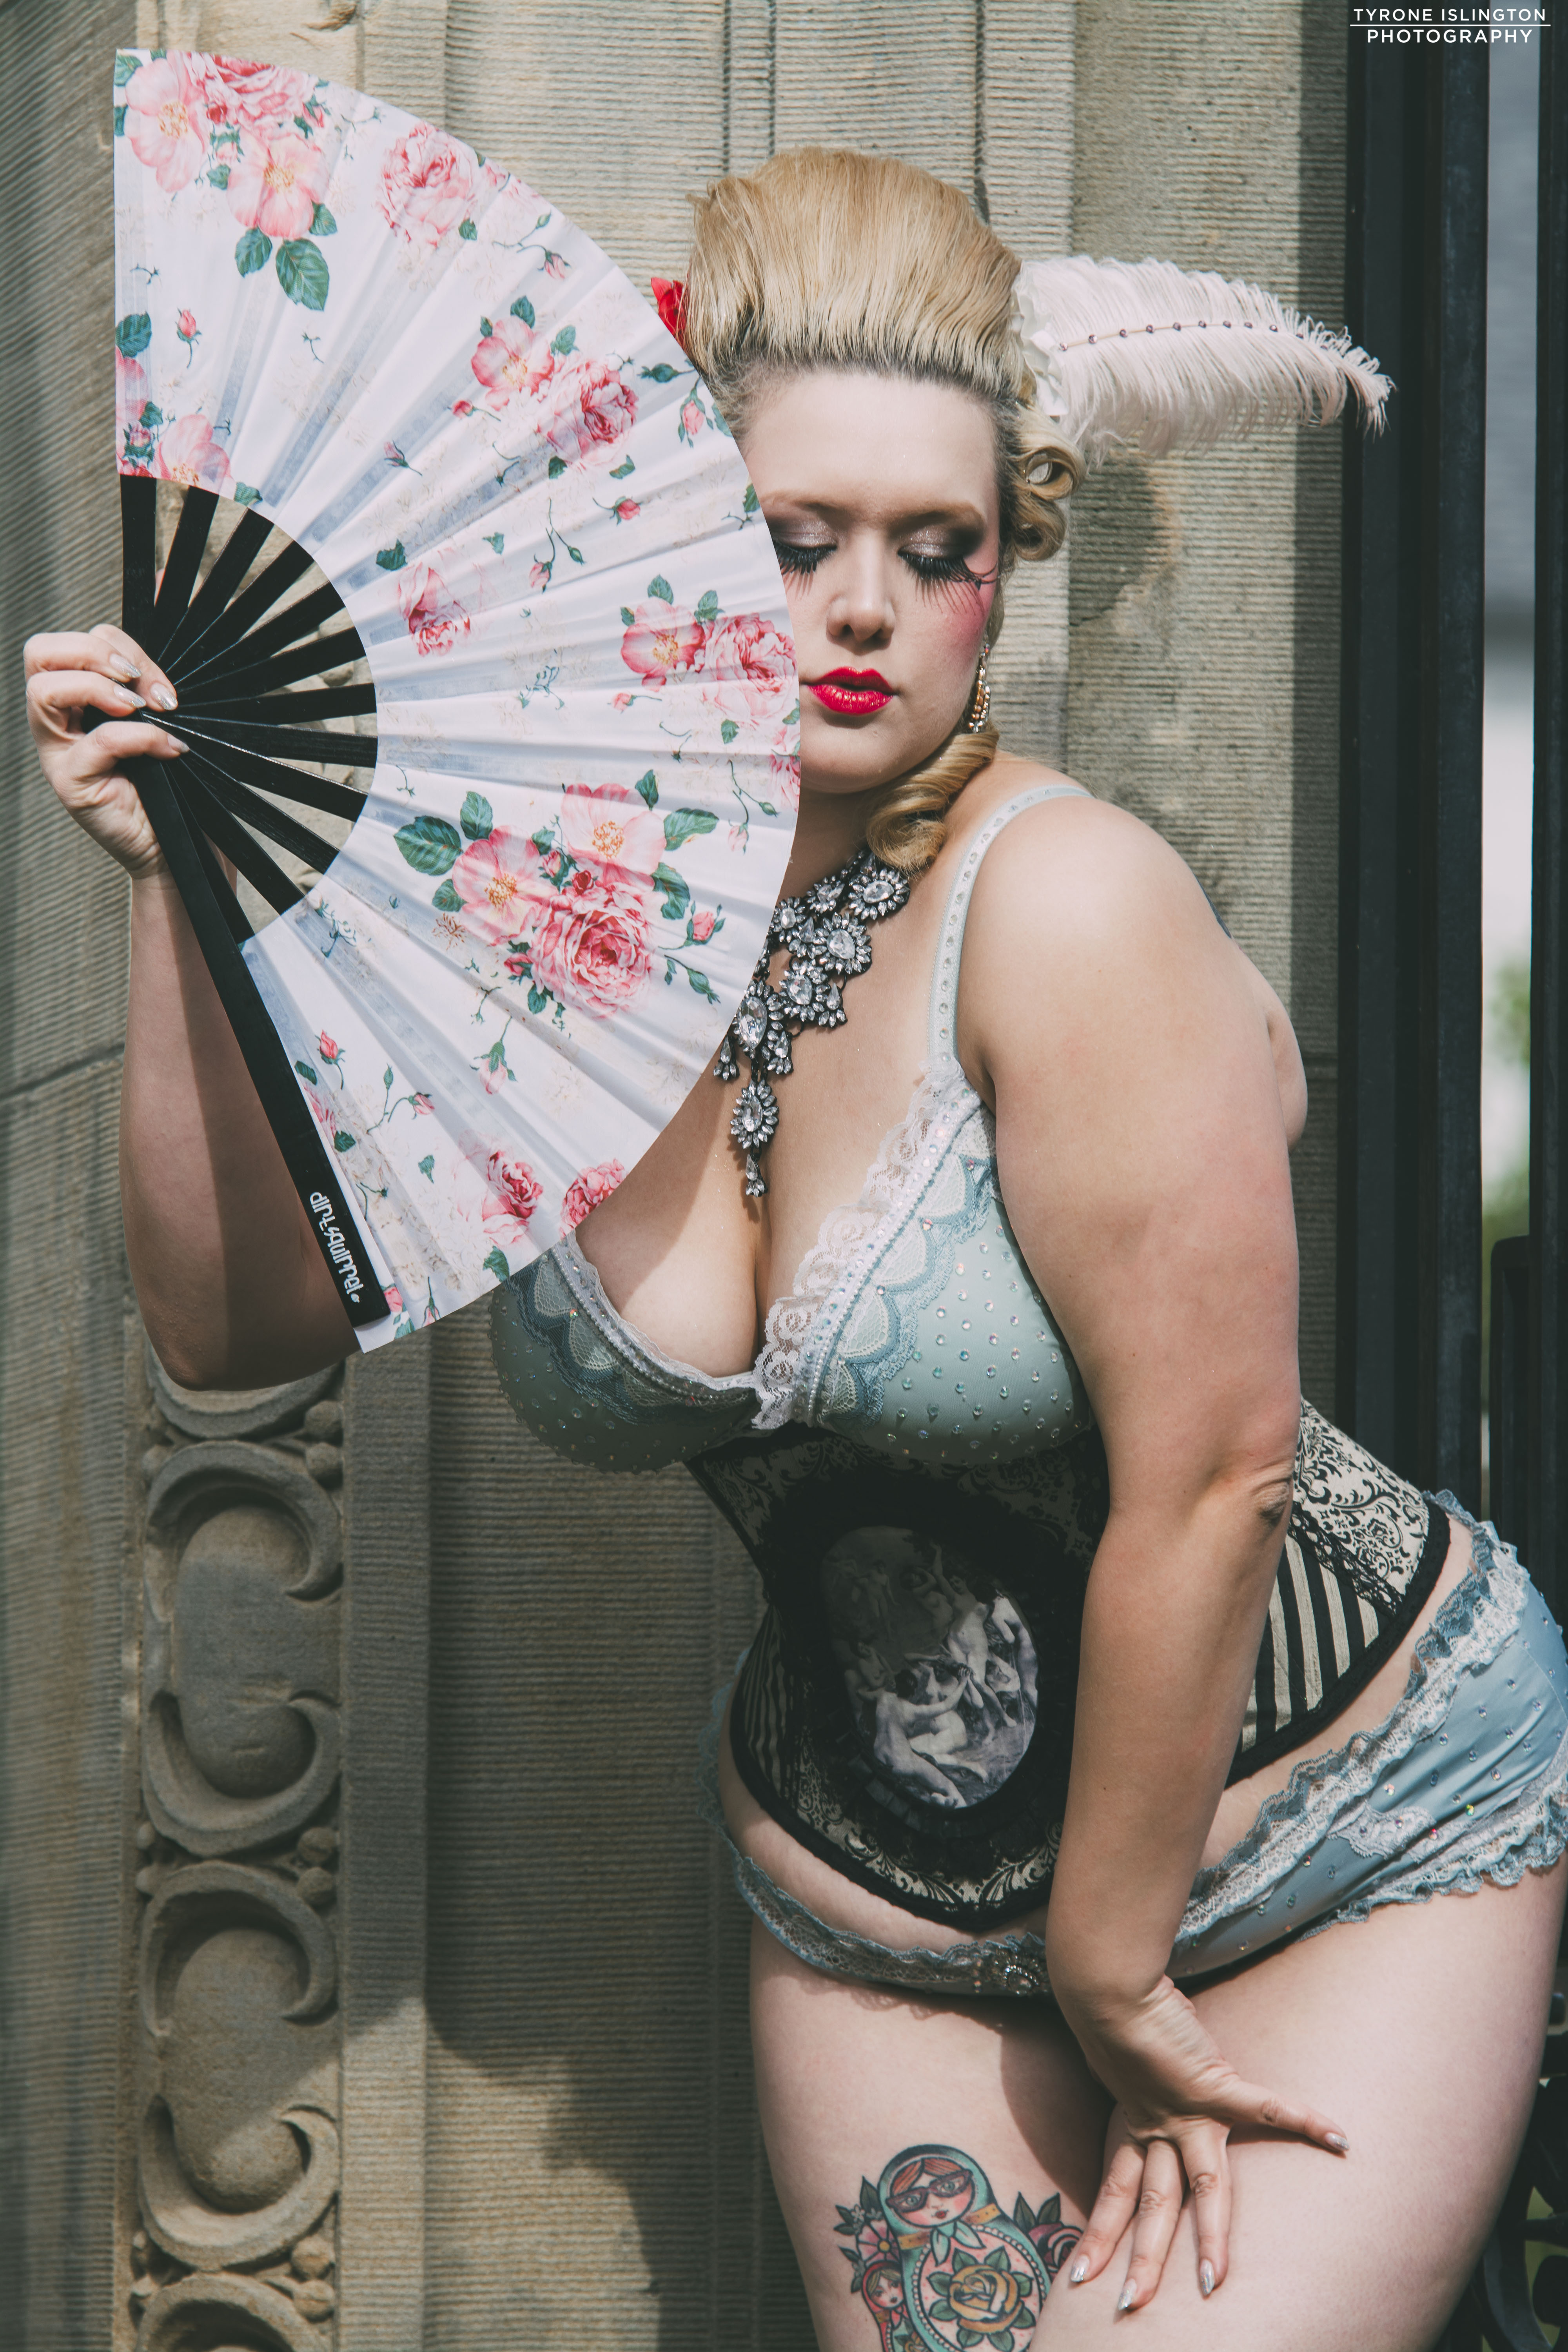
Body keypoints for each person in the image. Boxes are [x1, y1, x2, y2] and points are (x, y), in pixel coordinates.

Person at [25, 145, 1568, 2351]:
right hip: (876, 1895)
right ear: (659, 545)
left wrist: (1111, 1962)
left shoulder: (1068, 905)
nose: (862, 608)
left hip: (1338, 1825)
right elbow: (231, 1320)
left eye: (936, 552)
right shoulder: (531, 934)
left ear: (997, 585)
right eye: (791, 537)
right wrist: (180, 878)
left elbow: (1218, 1472)